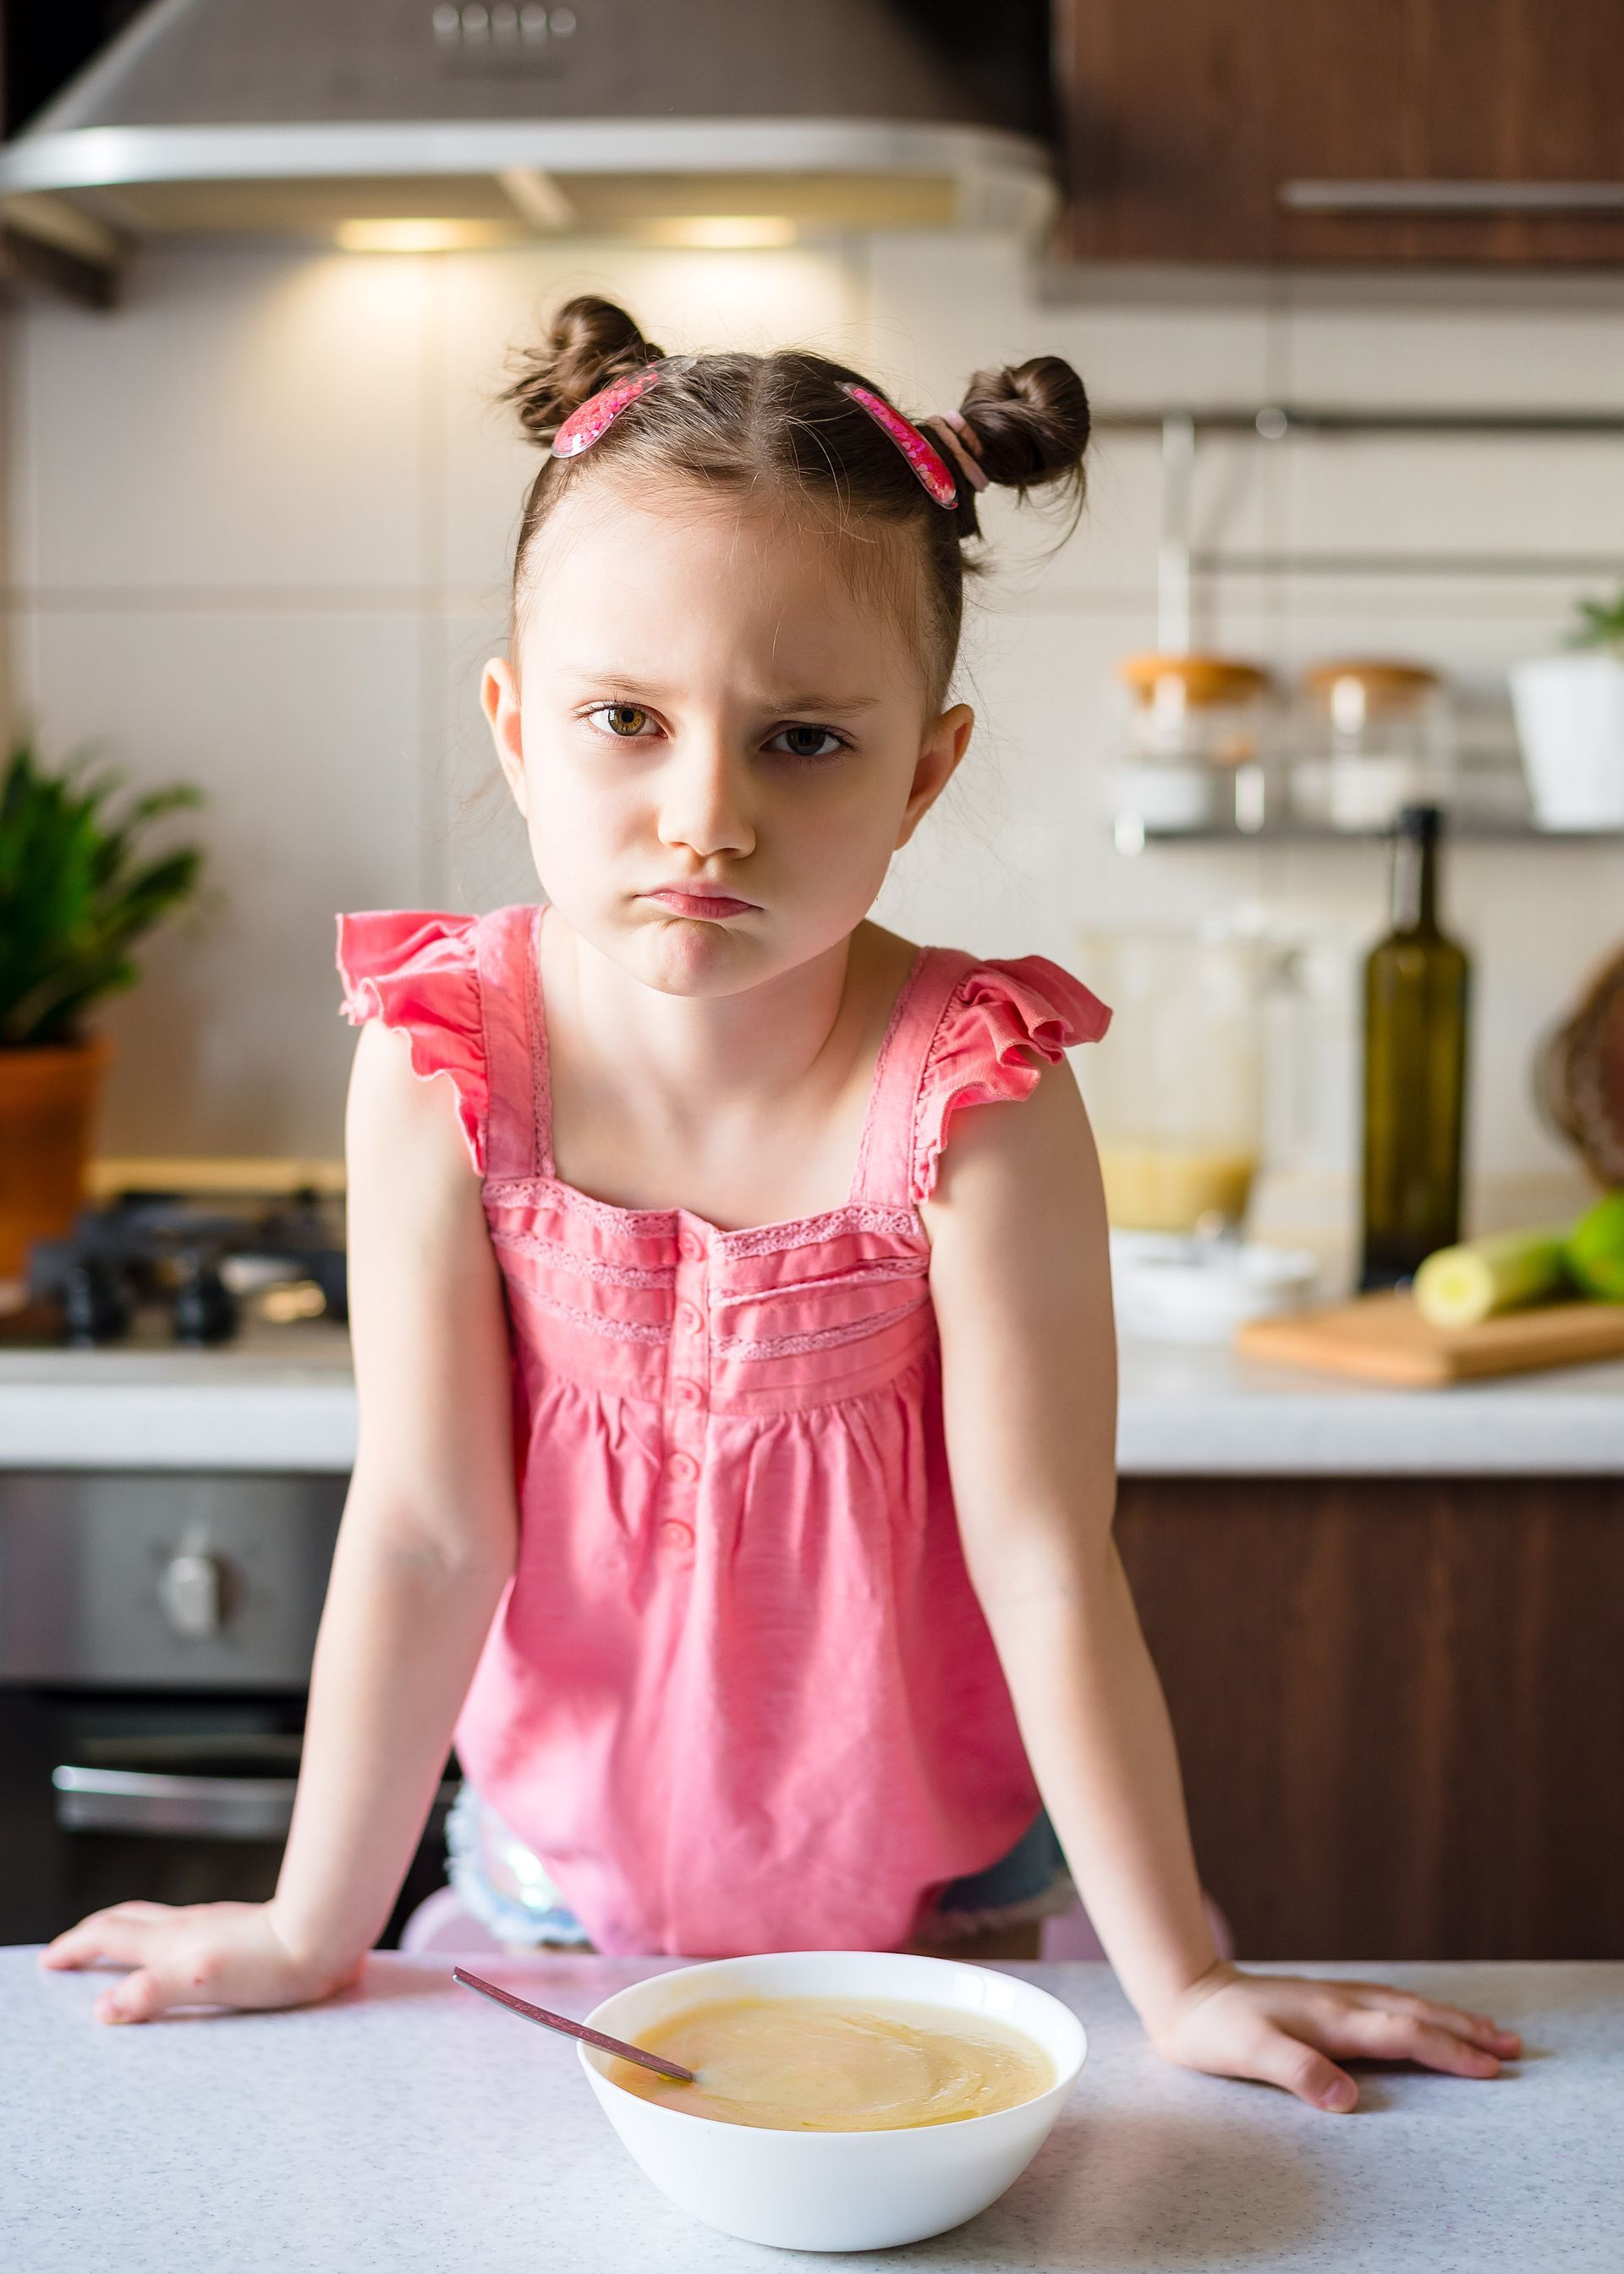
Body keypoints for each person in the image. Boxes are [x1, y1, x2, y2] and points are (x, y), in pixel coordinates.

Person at [46, 298, 1518, 2112]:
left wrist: (1192, 1979)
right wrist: (301, 1924)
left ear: (926, 768)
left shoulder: (980, 1095)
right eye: (625, 721)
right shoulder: (440, 1061)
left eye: (802, 741)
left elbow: (1050, 1568)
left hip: (948, 1922)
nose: (704, 818)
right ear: (517, 731)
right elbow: (430, 1534)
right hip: (550, 1915)